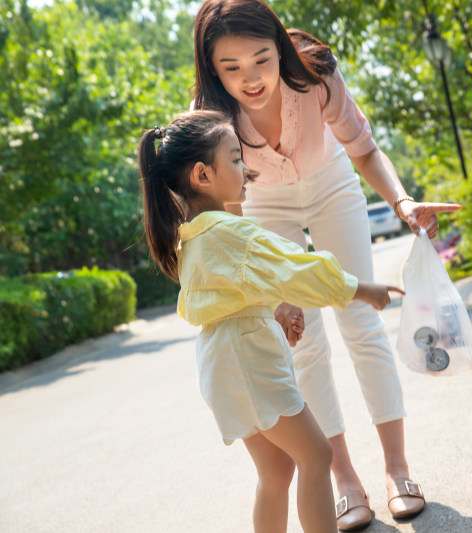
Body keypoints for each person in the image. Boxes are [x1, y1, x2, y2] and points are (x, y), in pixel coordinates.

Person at [192, 0, 461, 529]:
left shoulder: (315, 73)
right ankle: (344, 479)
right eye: (232, 68)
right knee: (303, 340)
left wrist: (404, 203)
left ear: (279, 47)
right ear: (211, 68)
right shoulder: (211, 115)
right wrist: (277, 289)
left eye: (261, 59)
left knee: (361, 321)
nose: (251, 78)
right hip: (263, 204)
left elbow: (363, 149)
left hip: (332, 184)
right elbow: (234, 211)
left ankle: (397, 469)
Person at [137, 109, 404, 533]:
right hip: (247, 362)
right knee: (316, 457)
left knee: (276, 472)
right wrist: (358, 288)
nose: (246, 168)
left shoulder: (195, 234)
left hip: (223, 362)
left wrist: (275, 305)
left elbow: (243, 287)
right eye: (236, 158)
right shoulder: (230, 232)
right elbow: (296, 267)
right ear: (203, 175)